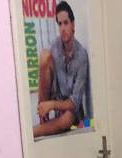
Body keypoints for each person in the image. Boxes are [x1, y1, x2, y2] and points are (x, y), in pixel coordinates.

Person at [34, 1, 90, 138]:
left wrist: (52, 104)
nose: (63, 28)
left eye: (66, 23)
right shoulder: (55, 46)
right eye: (60, 24)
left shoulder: (81, 56)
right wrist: (43, 104)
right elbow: (45, 73)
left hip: (72, 114)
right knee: (44, 56)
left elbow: (74, 103)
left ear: (73, 24)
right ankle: (43, 119)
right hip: (57, 105)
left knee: (68, 117)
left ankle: (34, 132)